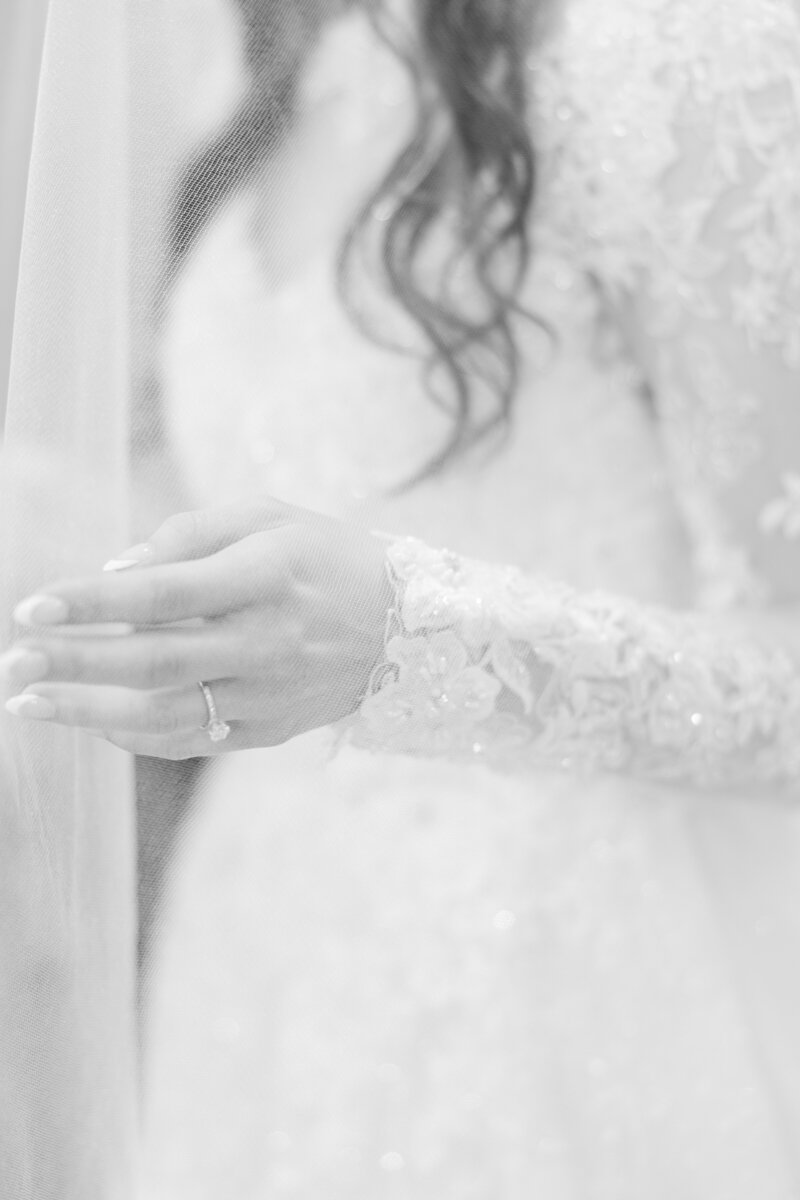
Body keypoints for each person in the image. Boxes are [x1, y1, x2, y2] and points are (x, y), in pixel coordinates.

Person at [3, 0, 800, 1194]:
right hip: (266, 950)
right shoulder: (283, 67)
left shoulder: (670, 57)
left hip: (579, 979)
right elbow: (262, 480)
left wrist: (410, 645)